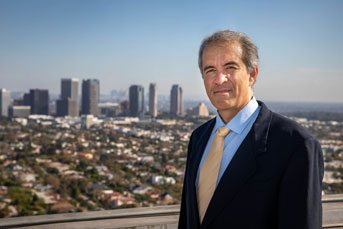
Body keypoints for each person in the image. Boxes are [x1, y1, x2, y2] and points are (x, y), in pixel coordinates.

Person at [178, 30, 324, 229]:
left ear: (252, 74)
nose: (219, 79)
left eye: (230, 67)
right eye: (210, 70)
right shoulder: (199, 137)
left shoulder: (296, 145)